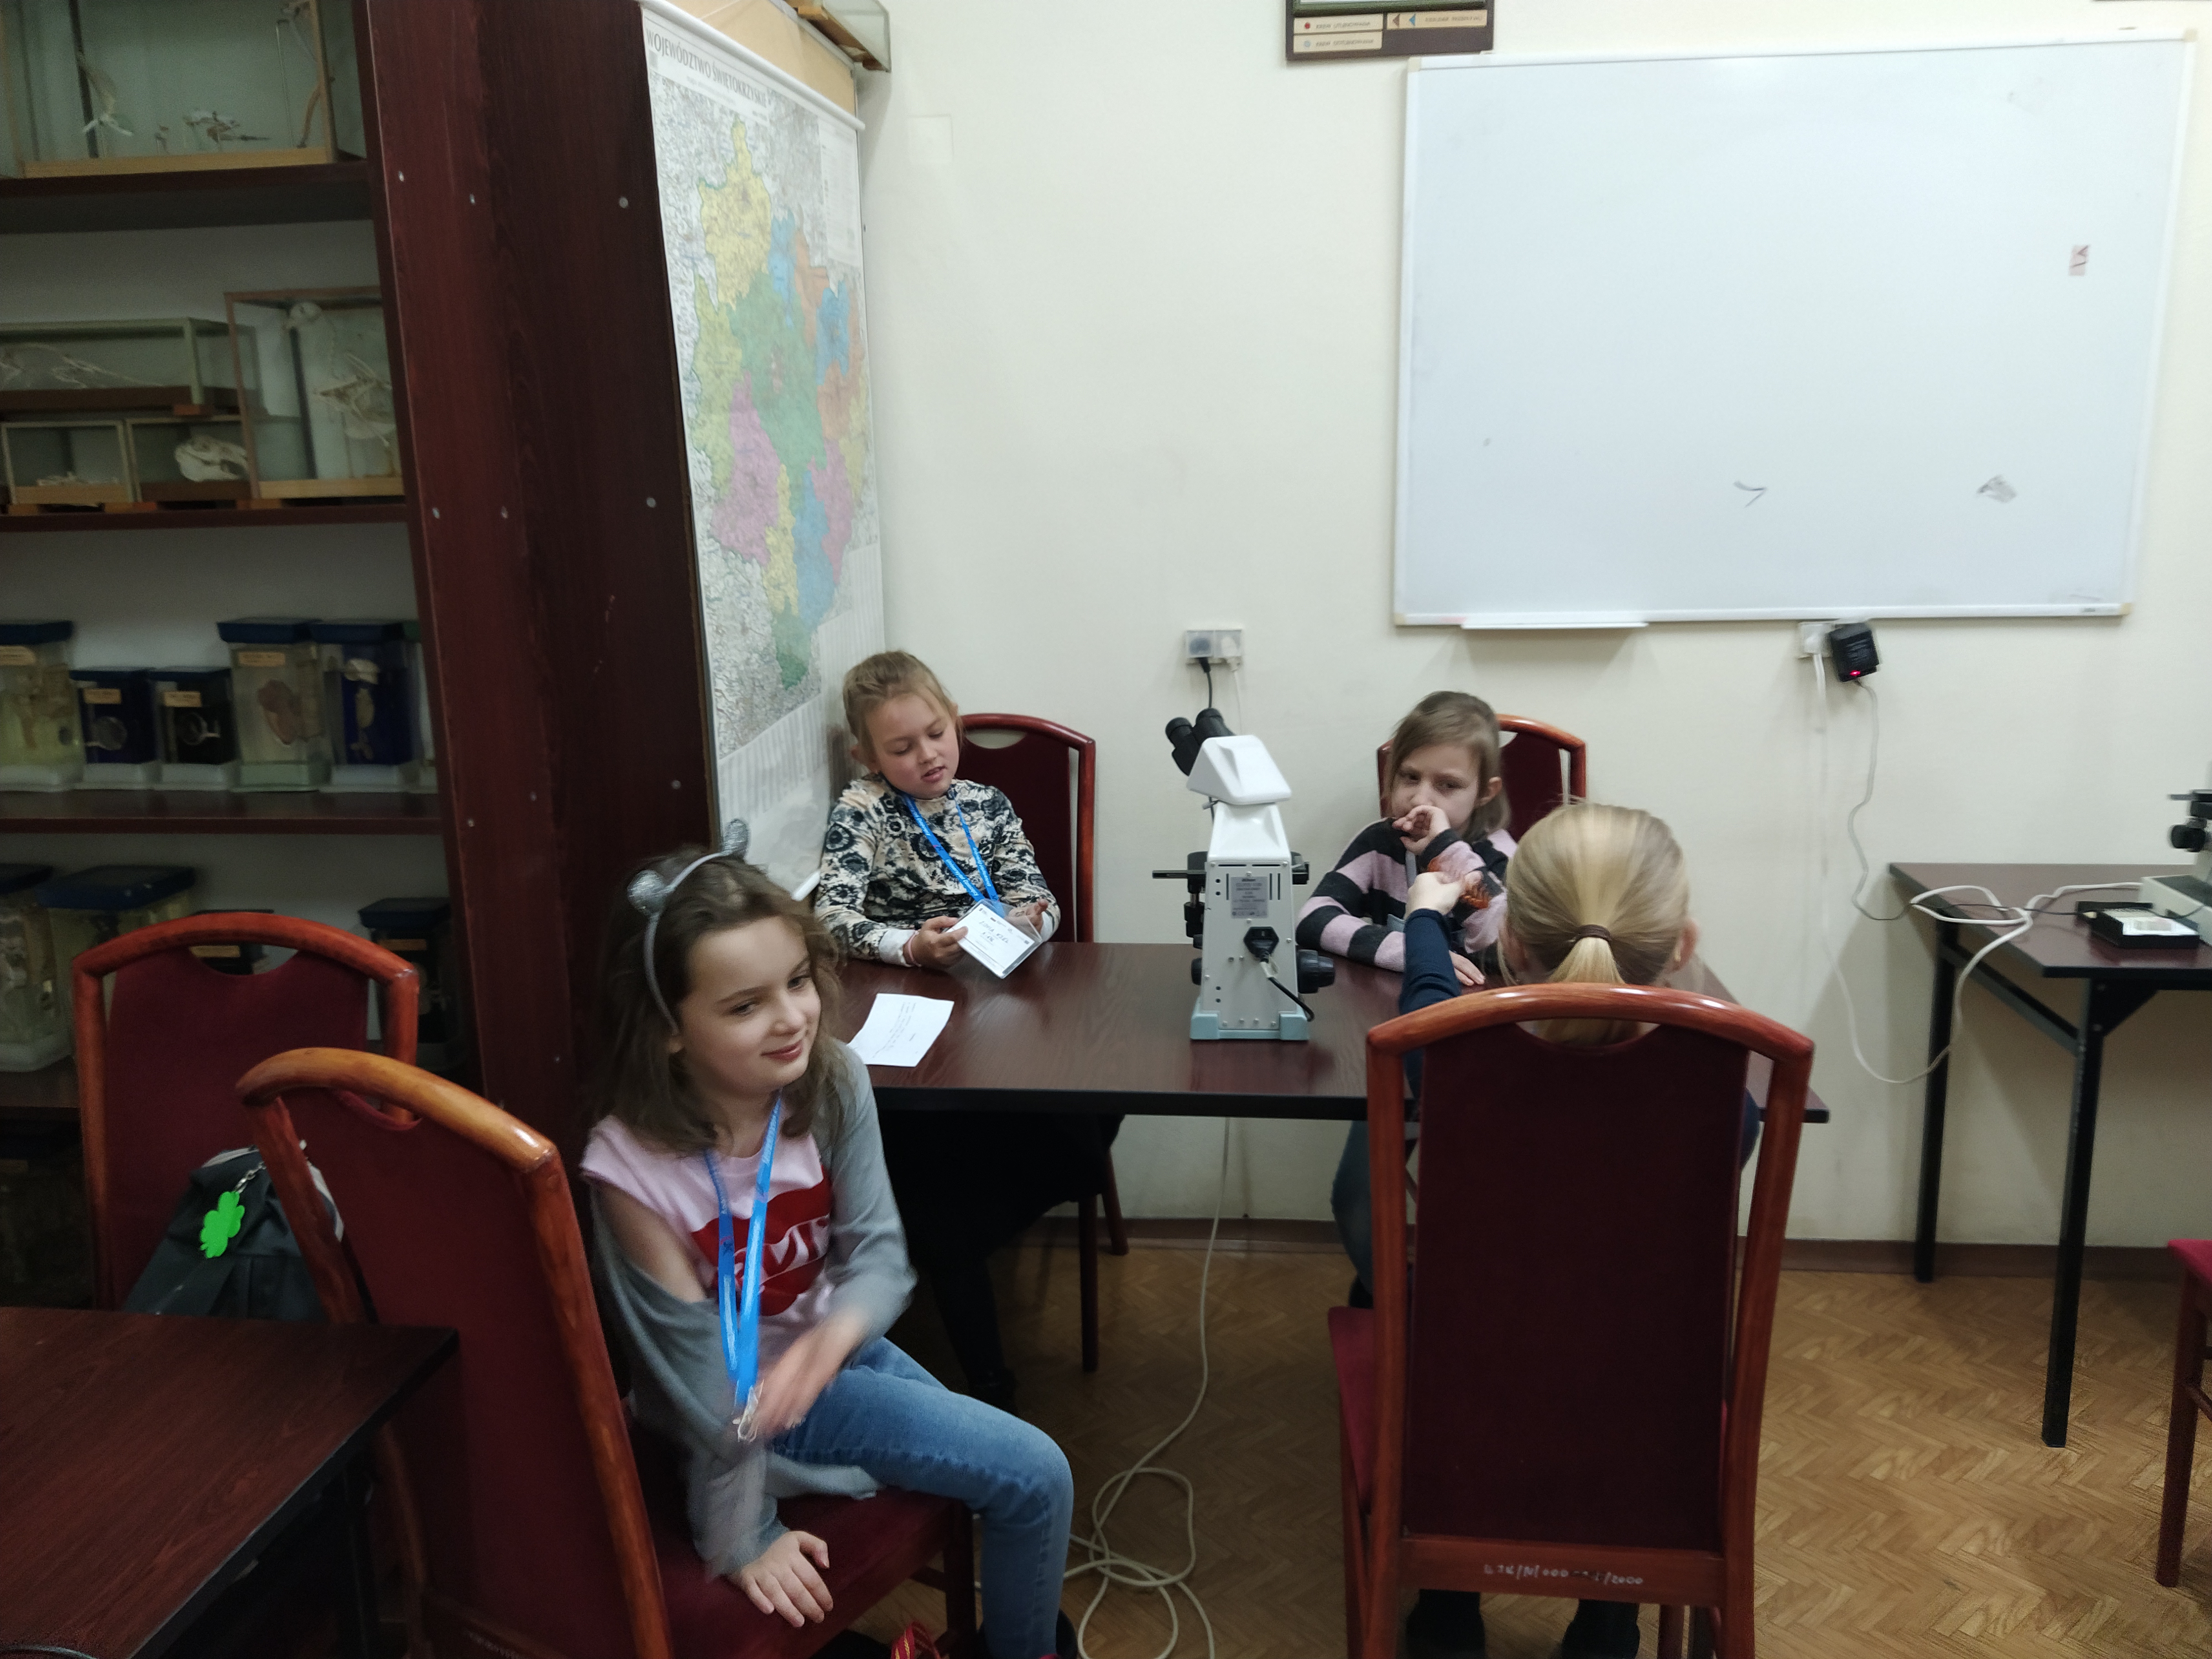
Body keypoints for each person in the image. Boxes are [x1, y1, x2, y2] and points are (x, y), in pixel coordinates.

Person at [581, 845, 1077, 1659]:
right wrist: (742, 1535)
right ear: (667, 1028)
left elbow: (879, 1259)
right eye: (745, 1006)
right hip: (747, 1401)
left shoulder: (834, 1078)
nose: (792, 1019)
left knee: (1004, 1473)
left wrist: (831, 1341)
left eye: (798, 981)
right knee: (1036, 1475)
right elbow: (706, 1393)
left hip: (820, 1359)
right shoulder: (631, 1173)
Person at [1387, 803, 1718, 1659]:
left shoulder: (1450, 1062)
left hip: (1473, 1401)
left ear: (1513, 944)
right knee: (1633, 1350)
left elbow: (1426, 1005)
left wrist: (1425, 917)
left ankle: (1448, 1611)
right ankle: (1610, 1620)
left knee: (1450, 1330)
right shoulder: (1727, 1096)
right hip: (1646, 1416)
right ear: (1682, 944)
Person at [812, 649, 1116, 1412]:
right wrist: (911, 947)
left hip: (1005, 1008)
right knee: (939, 1179)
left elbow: (1038, 896)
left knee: (1099, 1097)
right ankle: (981, 1354)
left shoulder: (988, 803)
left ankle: (965, 1233)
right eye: (901, 747)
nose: (927, 756)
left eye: (936, 734)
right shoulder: (863, 811)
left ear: (955, 722)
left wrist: (1027, 923)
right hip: (915, 1023)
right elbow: (830, 917)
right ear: (867, 756)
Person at [1302, 691, 1519, 1306]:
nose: (1422, 798)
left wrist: (1445, 853)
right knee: (1356, 1197)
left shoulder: (1496, 856)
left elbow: (1496, 929)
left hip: (1479, 1062)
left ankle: (1442, 1314)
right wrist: (1406, 949)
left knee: (1477, 1205)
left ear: (1485, 791)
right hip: (1394, 1053)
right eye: (1409, 778)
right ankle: (1396, 1308)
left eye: (1447, 785)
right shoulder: (1377, 843)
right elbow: (1315, 917)